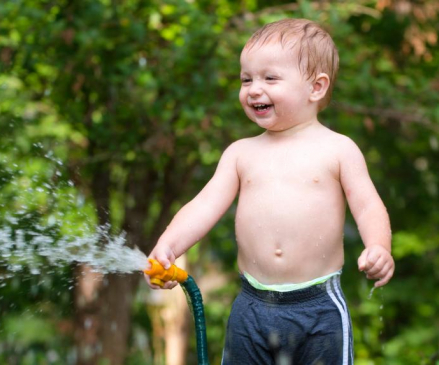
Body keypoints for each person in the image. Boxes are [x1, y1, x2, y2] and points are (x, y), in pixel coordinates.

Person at [146, 18, 394, 364]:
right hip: (251, 307)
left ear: (316, 87)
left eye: (270, 78)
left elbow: (368, 207)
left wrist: (379, 246)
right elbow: (204, 205)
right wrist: (170, 245)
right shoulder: (240, 154)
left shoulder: (338, 150)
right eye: (246, 79)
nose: (253, 89)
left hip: (318, 308)